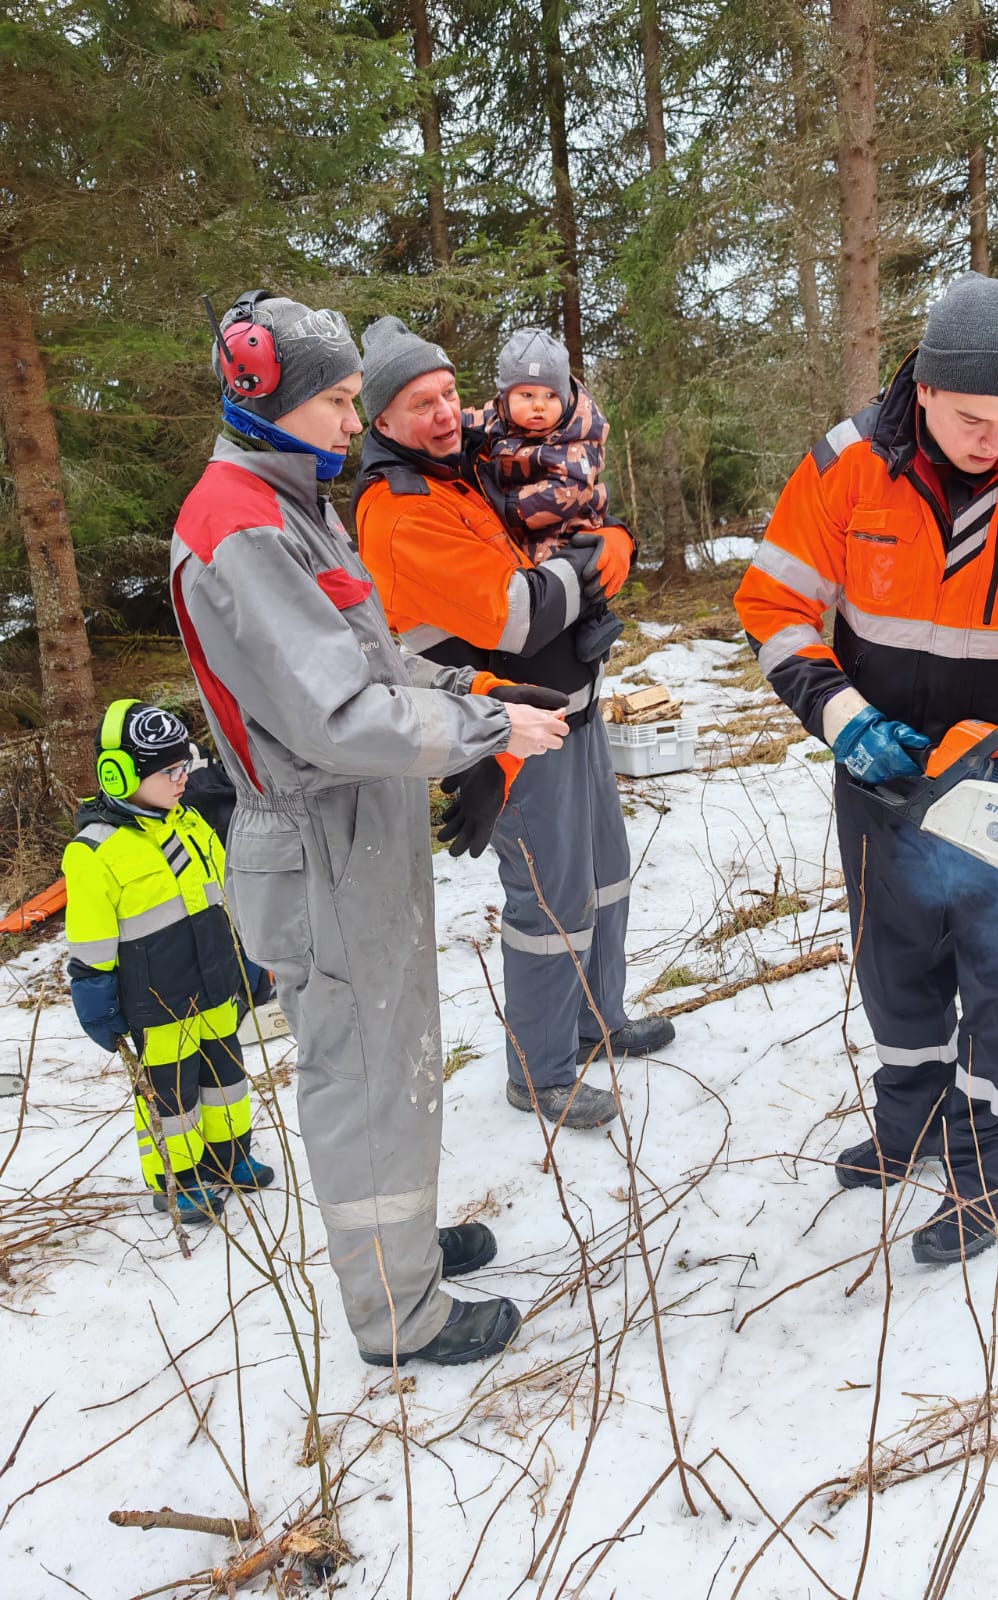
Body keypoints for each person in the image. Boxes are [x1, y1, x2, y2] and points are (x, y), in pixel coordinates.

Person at [734, 272, 998, 1265]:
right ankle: (913, 1119)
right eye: (969, 417)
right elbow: (773, 603)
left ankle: (992, 1162)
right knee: (895, 964)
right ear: (922, 387)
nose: (991, 437)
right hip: (883, 763)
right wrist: (841, 717)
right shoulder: (849, 465)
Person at [169, 290, 570, 1367]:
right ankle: (399, 1313)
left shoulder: (295, 502)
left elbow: (375, 663)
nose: (357, 422)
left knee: (395, 1049)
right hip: (319, 840)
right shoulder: (243, 526)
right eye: (342, 402)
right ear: (276, 401)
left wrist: (479, 695)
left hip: (359, 833)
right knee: (359, 1069)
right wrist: (486, 724)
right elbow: (340, 716)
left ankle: (401, 1248)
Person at [353, 317, 675, 1133]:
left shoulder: (460, 471)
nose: (441, 413)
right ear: (379, 419)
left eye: (448, 393)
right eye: (416, 402)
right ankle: (542, 1072)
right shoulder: (400, 508)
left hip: (573, 707)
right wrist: (607, 552)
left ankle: (598, 1018)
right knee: (550, 899)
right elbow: (519, 616)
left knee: (604, 872)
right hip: (512, 733)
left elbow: (561, 449)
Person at [63, 699, 275, 1224]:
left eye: (186, 766)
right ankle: (179, 1180)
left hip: (215, 983)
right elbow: (90, 943)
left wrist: (247, 960)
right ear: (119, 774)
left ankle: (230, 1157)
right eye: (169, 771)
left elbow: (225, 897)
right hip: (157, 1001)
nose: (183, 779)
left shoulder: (191, 824)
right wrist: (94, 997)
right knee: (170, 1098)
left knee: (227, 1079)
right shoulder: (95, 851)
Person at [462, 326, 623, 662]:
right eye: (527, 396)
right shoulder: (498, 419)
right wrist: (450, 423)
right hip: (521, 520)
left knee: (563, 562)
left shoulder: (577, 436)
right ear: (505, 396)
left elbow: (570, 490)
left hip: (564, 518)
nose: (539, 407)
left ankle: (593, 619)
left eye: (550, 397)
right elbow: (473, 421)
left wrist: (508, 508)